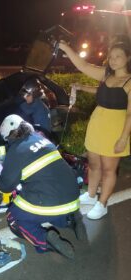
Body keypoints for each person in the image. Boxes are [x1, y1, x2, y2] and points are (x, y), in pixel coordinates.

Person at [59, 38, 131, 219]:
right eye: (111, 56)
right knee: (93, 164)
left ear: (128, 58)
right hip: (97, 124)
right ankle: (91, 196)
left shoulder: (129, 82)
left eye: (118, 56)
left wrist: (123, 138)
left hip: (115, 128)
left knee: (108, 169)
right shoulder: (106, 75)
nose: (113, 60)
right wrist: (65, 47)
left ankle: (102, 203)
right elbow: (82, 66)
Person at [0, 114, 86, 259]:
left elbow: (5, 186)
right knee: (46, 201)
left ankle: (44, 240)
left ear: (8, 136)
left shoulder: (16, 150)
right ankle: (70, 220)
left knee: (13, 217)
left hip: (51, 200)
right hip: (73, 195)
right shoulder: (41, 139)